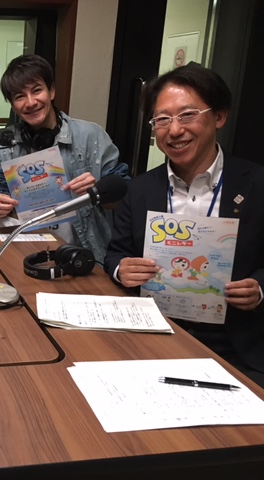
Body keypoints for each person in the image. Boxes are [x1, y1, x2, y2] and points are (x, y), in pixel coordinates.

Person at [104, 63, 264, 386]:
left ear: (219, 117)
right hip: (153, 333)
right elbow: (114, 254)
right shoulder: (139, 189)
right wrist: (121, 269)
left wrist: (260, 288)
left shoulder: (257, 184)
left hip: (236, 344)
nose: (174, 130)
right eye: (162, 119)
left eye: (187, 115)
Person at [0, 54, 128, 263]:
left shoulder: (91, 136)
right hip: (28, 251)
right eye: (19, 96)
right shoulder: (6, 144)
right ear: (12, 105)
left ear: (51, 91)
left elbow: (123, 199)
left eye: (37, 90)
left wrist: (98, 191)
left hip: (86, 256)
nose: (30, 102)